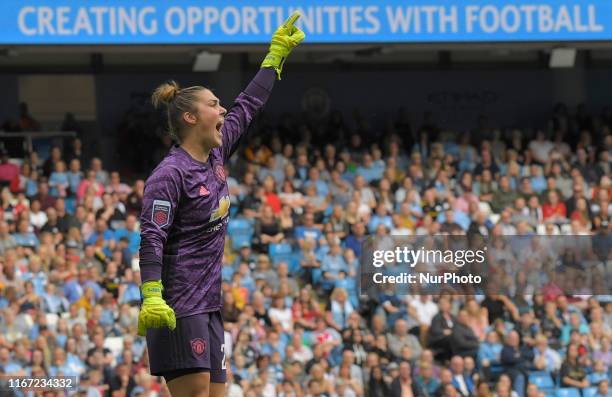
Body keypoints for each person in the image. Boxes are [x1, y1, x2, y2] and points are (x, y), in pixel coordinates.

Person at [136, 13, 304, 397]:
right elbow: (151, 236)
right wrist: (151, 293)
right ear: (191, 117)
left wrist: (273, 58)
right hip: (178, 305)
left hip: (210, 305)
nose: (223, 110)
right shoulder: (170, 174)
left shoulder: (215, 154)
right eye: (214, 104)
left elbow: (248, 105)